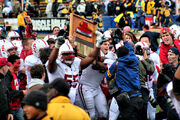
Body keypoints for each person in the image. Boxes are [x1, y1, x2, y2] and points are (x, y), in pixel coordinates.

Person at [47, 31, 103, 104]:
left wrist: (98, 45)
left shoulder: (76, 62)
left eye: (71, 53)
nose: (70, 56)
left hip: (75, 97)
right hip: (59, 99)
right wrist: (57, 47)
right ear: (59, 55)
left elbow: (91, 57)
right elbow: (51, 61)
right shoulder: (56, 64)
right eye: (66, 54)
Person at [105, 38, 145, 120]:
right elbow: (130, 49)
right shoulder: (134, 59)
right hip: (139, 98)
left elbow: (108, 76)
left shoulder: (116, 64)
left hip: (127, 100)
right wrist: (125, 40)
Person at [77, 39, 116, 120]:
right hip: (85, 86)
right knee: (91, 115)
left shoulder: (111, 55)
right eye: (105, 44)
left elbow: (98, 64)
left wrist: (100, 60)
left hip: (96, 88)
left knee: (104, 113)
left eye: (108, 45)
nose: (107, 46)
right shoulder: (91, 52)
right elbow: (95, 64)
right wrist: (99, 59)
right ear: (99, 45)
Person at [5, 55, 26, 120]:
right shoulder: (7, 76)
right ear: (11, 64)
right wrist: (22, 92)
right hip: (11, 108)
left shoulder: (15, 74)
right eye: (18, 63)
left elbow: (16, 87)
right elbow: (8, 92)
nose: (19, 65)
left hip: (18, 106)